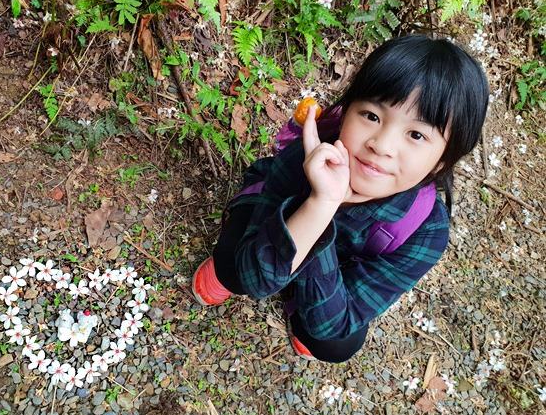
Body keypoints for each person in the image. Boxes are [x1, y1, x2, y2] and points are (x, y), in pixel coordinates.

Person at [191, 34, 489, 363]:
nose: (382, 145)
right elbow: (256, 279)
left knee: (335, 343)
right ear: (347, 111)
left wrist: (323, 218)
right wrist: (321, 203)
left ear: (443, 160)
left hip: (336, 271)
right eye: (372, 116)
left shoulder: (425, 232)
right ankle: (226, 274)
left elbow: (336, 322)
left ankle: (300, 309)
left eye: (416, 135)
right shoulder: (308, 155)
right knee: (235, 268)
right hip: (274, 223)